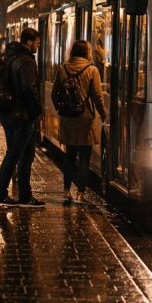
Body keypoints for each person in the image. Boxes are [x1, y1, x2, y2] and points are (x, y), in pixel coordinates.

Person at [0, 27, 44, 207]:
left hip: (9, 114)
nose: (38, 46)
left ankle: (25, 196)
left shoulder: (11, 58)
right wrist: (37, 111)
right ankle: (1, 194)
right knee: (15, 155)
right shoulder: (26, 61)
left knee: (25, 155)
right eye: (37, 43)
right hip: (23, 115)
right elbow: (29, 89)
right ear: (29, 42)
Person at [52, 40, 106, 204]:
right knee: (84, 158)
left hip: (68, 118)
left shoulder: (62, 68)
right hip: (86, 119)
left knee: (69, 156)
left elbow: (54, 94)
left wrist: (62, 108)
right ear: (87, 52)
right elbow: (97, 96)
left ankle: (66, 191)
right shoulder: (92, 70)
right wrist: (103, 114)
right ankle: (80, 193)